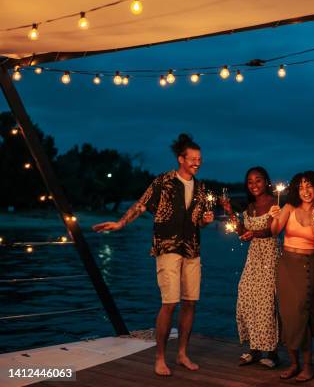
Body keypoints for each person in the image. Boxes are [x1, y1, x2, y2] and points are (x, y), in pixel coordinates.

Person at [92, 133, 214, 377]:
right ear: (181, 159)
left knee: (190, 303)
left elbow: (198, 221)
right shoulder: (163, 182)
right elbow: (141, 204)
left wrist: (205, 220)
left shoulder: (201, 188)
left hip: (192, 249)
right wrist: (120, 223)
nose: (197, 163)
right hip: (167, 248)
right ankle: (160, 357)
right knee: (169, 303)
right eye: (193, 159)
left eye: (200, 159)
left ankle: (182, 354)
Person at [268, 171, 314, 382]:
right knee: (287, 314)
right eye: (301, 187)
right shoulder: (288, 208)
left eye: (309, 186)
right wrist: (274, 217)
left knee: (303, 314)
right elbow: (275, 231)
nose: (305, 191)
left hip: (307, 266)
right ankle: (294, 364)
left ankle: (307, 365)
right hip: (286, 265)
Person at [222, 167, 280, 368]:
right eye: (250, 182)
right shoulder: (250, 208)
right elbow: (242, 232)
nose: (254, 185)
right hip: (253, 258)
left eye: (258, 180)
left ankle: (272, 353)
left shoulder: (275, 204)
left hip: (271, 256)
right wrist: (230, 213)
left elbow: (272, 230)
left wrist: (253, 234)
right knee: (246, 296)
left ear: (266, 182)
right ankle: (255, 349)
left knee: (267, 302)